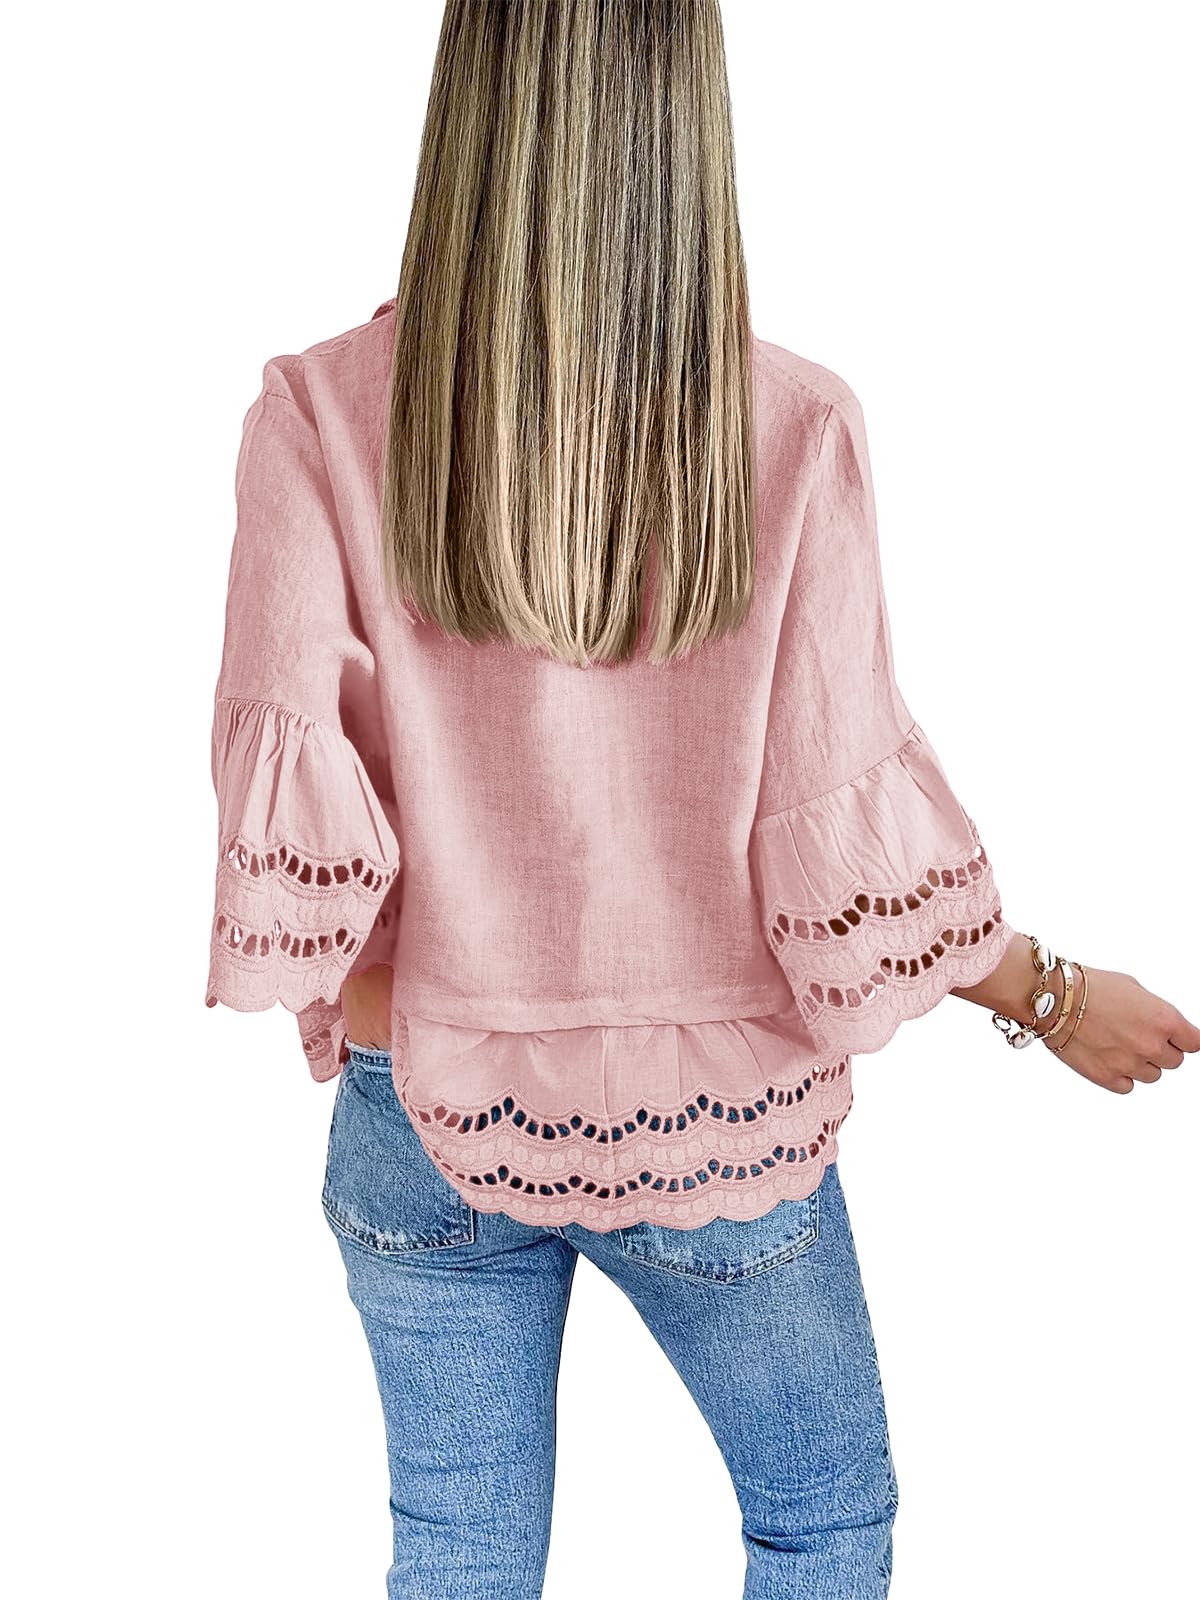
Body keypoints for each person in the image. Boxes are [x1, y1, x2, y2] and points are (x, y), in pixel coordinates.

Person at [202, 4, 1197, 1596]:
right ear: (685, 124)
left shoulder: (315, 415)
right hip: (709, 1116)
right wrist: (1054, 996)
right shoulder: (793, 428)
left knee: (458, 1551)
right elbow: (838, 839)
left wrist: (394, 1006)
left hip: (418, 1100)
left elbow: (298, 834)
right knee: (820, 1523)